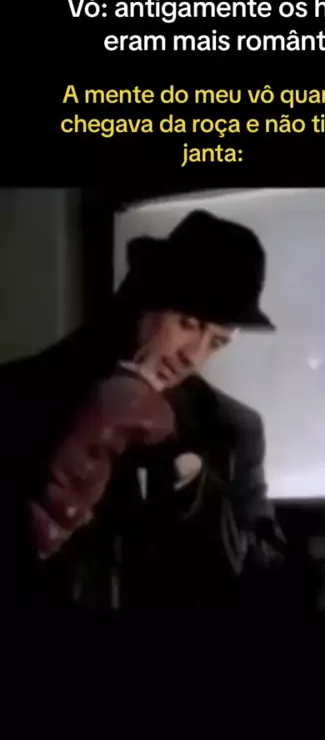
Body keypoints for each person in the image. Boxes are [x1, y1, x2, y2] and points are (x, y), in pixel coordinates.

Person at [7, 209, 288, 620]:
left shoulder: (233, 428)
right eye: (187, 324)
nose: (193, 356)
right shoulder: (21, 392)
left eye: (216, 342)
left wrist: (194, 482)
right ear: (146, 301)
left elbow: (266, 578)